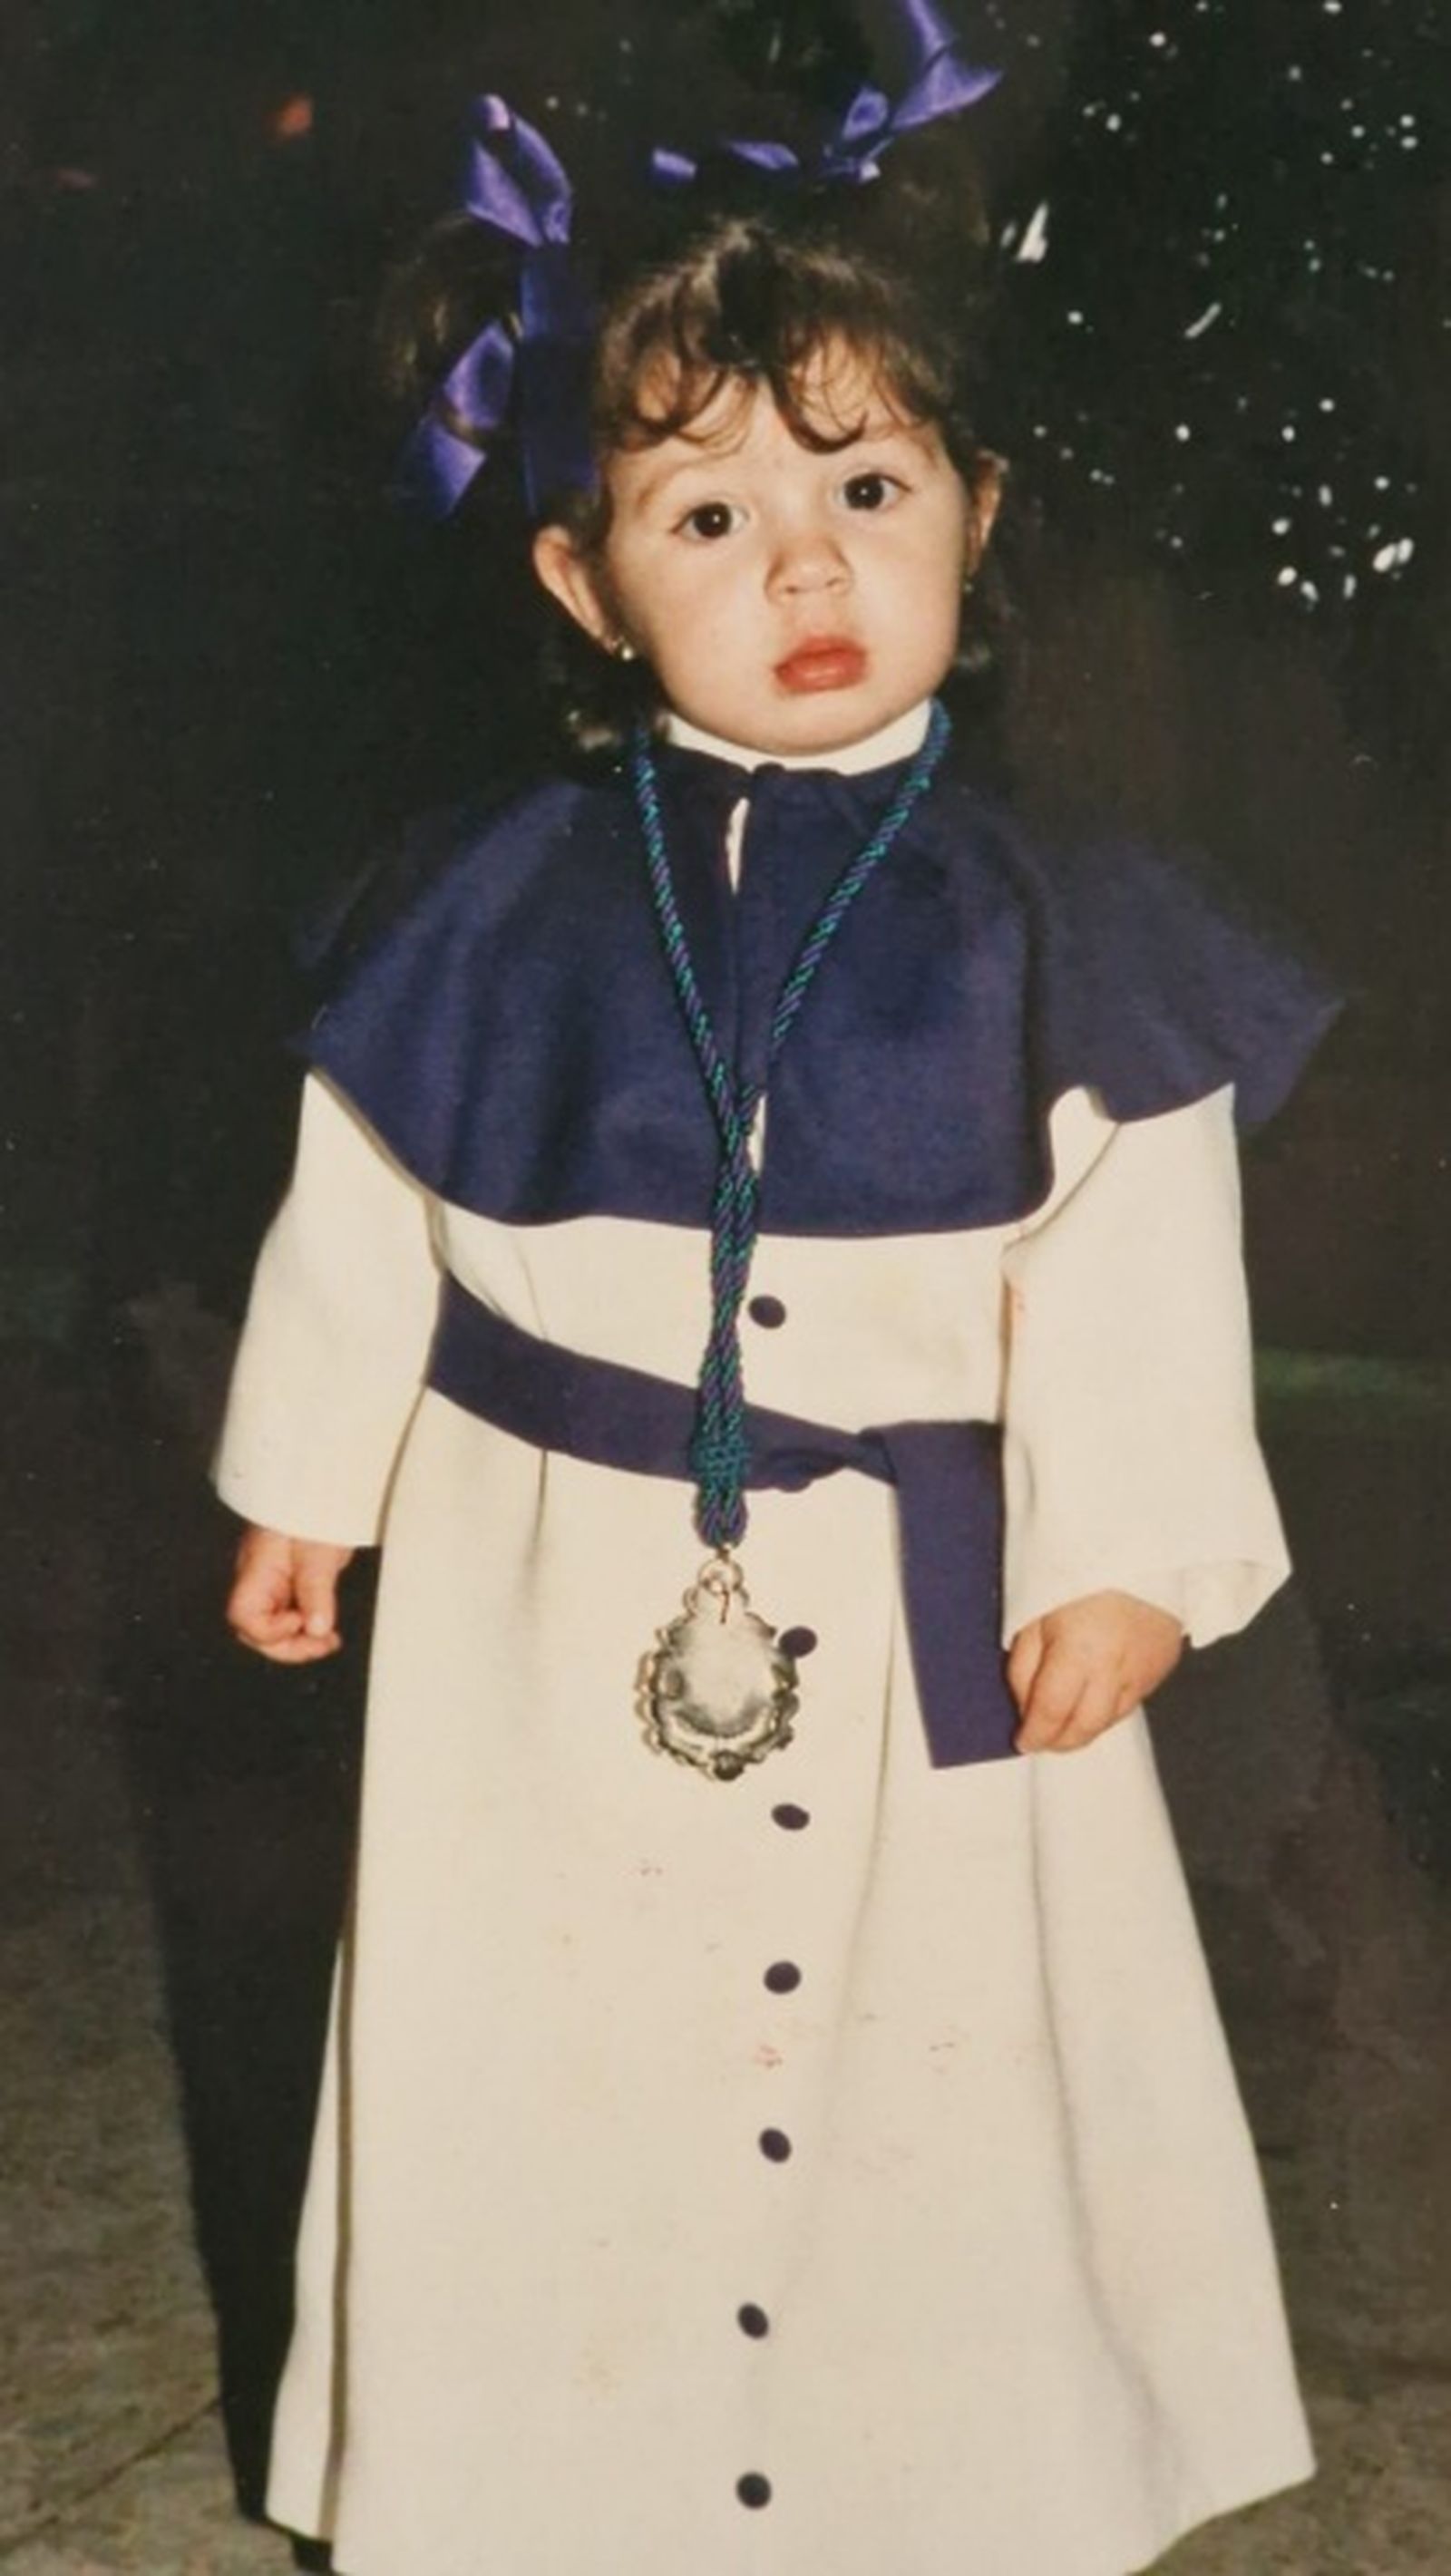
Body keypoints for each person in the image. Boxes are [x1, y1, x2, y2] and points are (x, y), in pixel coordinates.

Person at [216, 18, 1339, 2572]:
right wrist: (306, 1478)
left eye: (864, 485)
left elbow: (1142, 1259)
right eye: (704, 513)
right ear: (574, 577)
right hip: (540, 1604)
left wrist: (1132, 1546)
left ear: (977, 506)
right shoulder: (478, 907)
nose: (808, 567)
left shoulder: (1078, 931)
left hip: (932, 1616)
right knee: (553, 2072)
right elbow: (366, 1192)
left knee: (935, 2108)